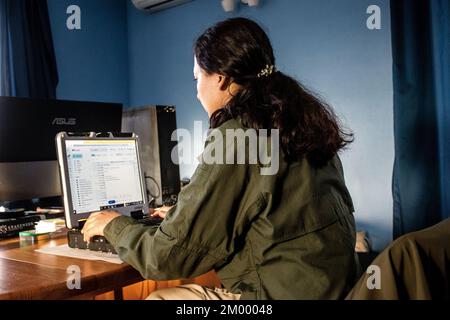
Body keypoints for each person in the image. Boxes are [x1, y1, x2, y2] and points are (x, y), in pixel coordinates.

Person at [81, 17, 360, 300]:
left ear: (220, 78)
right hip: (334, 291)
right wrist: (186, 218)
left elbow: (165, 258)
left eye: (197, 78)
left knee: (160, 299)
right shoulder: (303, 126)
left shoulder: (237, 137)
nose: (197, 90)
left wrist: (112, 224)